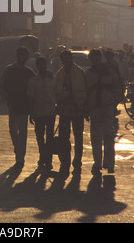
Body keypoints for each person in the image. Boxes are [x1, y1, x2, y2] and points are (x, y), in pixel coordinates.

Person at [86, 49, 123, 175]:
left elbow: (118, 89)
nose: (94, 60)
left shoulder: (110, 72)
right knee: (96, 138)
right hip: (94, 108)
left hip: (107, 107)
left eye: (96, 58)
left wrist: (114, 104)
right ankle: (97, 163)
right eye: (92, 59)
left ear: (99, 58)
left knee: (108, 136)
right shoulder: (89, 74)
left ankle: (109, 164)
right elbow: (85, 93)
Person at [54, 49, 87, 179]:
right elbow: (55, 91)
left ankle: (77, 163)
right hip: (64, 110)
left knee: (78, 138)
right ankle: (65, 163)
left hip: (77, 109)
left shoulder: (79, 72)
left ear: (70, 59)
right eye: (64, 59)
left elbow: (84, 91)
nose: (66, 61)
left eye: (67, 58)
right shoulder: (60, 74)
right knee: (64, 138)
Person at [1, 46, 35, 169]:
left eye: (24, 56)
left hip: (25, 107)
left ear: (26, 57)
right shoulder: (9, 70)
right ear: (17, 56)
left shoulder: (29, 72)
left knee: (23, 133)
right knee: (13, 131)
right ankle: (18, 148)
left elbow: (34, 87)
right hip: (13, 105)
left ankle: (20, 158)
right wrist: (7, 98)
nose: (22, 58)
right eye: (20, 55)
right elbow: (3, 86)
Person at [27, 56, 56, 170]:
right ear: (37, 67)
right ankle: (43, 155)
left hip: (50, 112)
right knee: (40, 137)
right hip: (38, 112)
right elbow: (30, 98)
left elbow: (56, 94)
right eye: (40, 65)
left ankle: (47, 159)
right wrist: (31, 113)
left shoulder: (52, 79)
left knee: (49, 137)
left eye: (43, 65)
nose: (42, 67)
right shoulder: (33, 81)